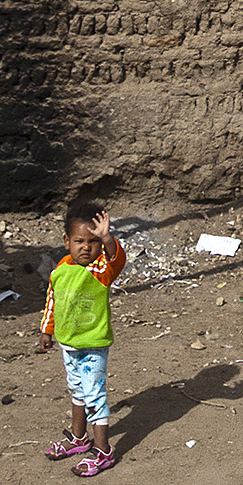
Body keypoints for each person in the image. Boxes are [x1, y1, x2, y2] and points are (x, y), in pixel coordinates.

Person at [39, 203, 126, 477]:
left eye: (93, 241)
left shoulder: (101, 270)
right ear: (67, 242)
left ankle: (103, 452)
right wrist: (47, 329)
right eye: (79, 241)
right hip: (69, 345)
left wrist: (108, 239)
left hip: (92, 346)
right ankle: (78, 439)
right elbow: (53, 301)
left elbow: (117, 259)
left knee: (94, 398)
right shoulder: (61, 269)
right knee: (76, 391)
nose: (86, 247)